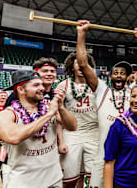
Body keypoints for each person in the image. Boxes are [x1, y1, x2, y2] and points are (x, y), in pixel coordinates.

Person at [75, 21, 137, 188]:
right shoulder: (102, 90)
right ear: (110, 76)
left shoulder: (134, 92)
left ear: (128, 76)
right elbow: (83, 64)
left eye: (123, 73)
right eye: (116, 73)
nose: (119, 76)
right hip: (104, 156)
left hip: (129, 158)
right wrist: (81, 34)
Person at [0, 70, 77, 188]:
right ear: (21, 89)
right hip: (24, 182)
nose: (42, 88)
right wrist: (49, 115)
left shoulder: (49, 106)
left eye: (41, 84)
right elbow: (13, 137)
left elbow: (72, 126)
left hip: (53, 179)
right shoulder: (6, 115)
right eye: (36, 85)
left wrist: (61, 108)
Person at [56, 52, 98, 187]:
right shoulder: (63, 85)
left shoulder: (97, 85)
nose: (81, 66)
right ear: (72, 66)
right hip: (72, 133)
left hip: (94, 133)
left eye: (84, 63)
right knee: (70, 179)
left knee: (95, 177)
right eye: (77, 63)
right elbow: (56, 113)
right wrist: (61, 140)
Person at [103, 84, 137, 188]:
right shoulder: (119, 125)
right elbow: (109, 162)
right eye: (133, 96)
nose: (136, 100)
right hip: (124, 183)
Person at [0, 91, 8, 174]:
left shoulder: (8, 107)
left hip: (2, 130)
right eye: (1, 96)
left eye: (5, 96)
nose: (3, 97)